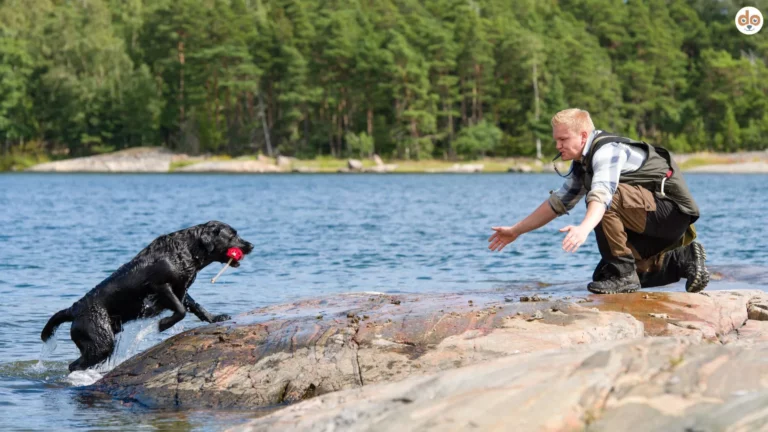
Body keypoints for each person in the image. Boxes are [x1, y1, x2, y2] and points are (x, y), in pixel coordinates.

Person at [488, 108, 708, 294]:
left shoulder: (606, 152)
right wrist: (516, 230)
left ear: (583, 136)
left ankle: (625, 274)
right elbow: (557, 204)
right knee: (604, 276)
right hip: (649, 220)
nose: (557, 145)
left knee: (605, 203)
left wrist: (583, 228)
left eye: (563, 139)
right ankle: (681, 260)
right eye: (556, 139)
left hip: (670, 215)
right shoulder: (582, 164)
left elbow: (603, 194)